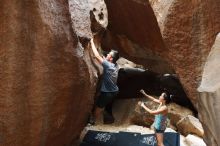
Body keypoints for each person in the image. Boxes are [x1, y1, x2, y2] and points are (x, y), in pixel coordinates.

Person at [89, 38, 119, 125]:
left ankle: (93, 120)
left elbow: (97, 56)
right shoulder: (115, 65)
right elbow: (105, 60)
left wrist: (91, 42)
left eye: (109, 54)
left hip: (108, 93)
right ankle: (105, 111)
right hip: (114, 90)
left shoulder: (108, 66)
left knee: (99, 106)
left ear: (111, 59)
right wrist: (105, 59)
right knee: (103, 103)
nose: (107, 54)